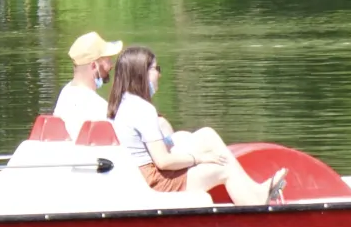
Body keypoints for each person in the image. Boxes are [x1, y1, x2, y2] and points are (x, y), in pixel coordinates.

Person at [105, 46, 286, 205]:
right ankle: (253, 202)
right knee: (223, 168)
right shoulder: (142, 109)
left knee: (206, 134)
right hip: (155, 182)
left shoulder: (125, 103)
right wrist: (198, 158)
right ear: (141, 74)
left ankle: (254, 191)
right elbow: (163, 161)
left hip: (142, 175)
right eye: (155, 69)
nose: (159, 74)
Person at [53, 31, 122, 138]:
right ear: (94, 66)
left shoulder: (65, 93)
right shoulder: (98, 107)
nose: (111, 66)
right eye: (108, 60)